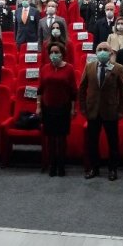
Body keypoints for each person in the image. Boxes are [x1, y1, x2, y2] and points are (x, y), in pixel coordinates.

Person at [79, 42, 123, 181]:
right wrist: (83, 108)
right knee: (92, 142)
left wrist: (121, 110)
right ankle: (94, 168)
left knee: (113, 142)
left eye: (105, 50)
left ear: (111, 52)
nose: (102, 52)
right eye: (99, 49)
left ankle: (113, 169)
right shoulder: (89, 67)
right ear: (95, 52)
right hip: (92, 111)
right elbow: (82, 88)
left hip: (111, 111)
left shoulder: (119, 68)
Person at [37, 42, 77, 177]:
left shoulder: (69, 69)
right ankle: (52, 165)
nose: (53, 55)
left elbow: (73, 91)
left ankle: (61, 165)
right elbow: (40, 90)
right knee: (51, 138)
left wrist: (72, 109)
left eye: (56, 52)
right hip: (48, 107)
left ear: (62, 54)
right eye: (51, 53)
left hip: (63, 107)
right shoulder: (44, 69)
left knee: (61, 138)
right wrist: (38, 106)